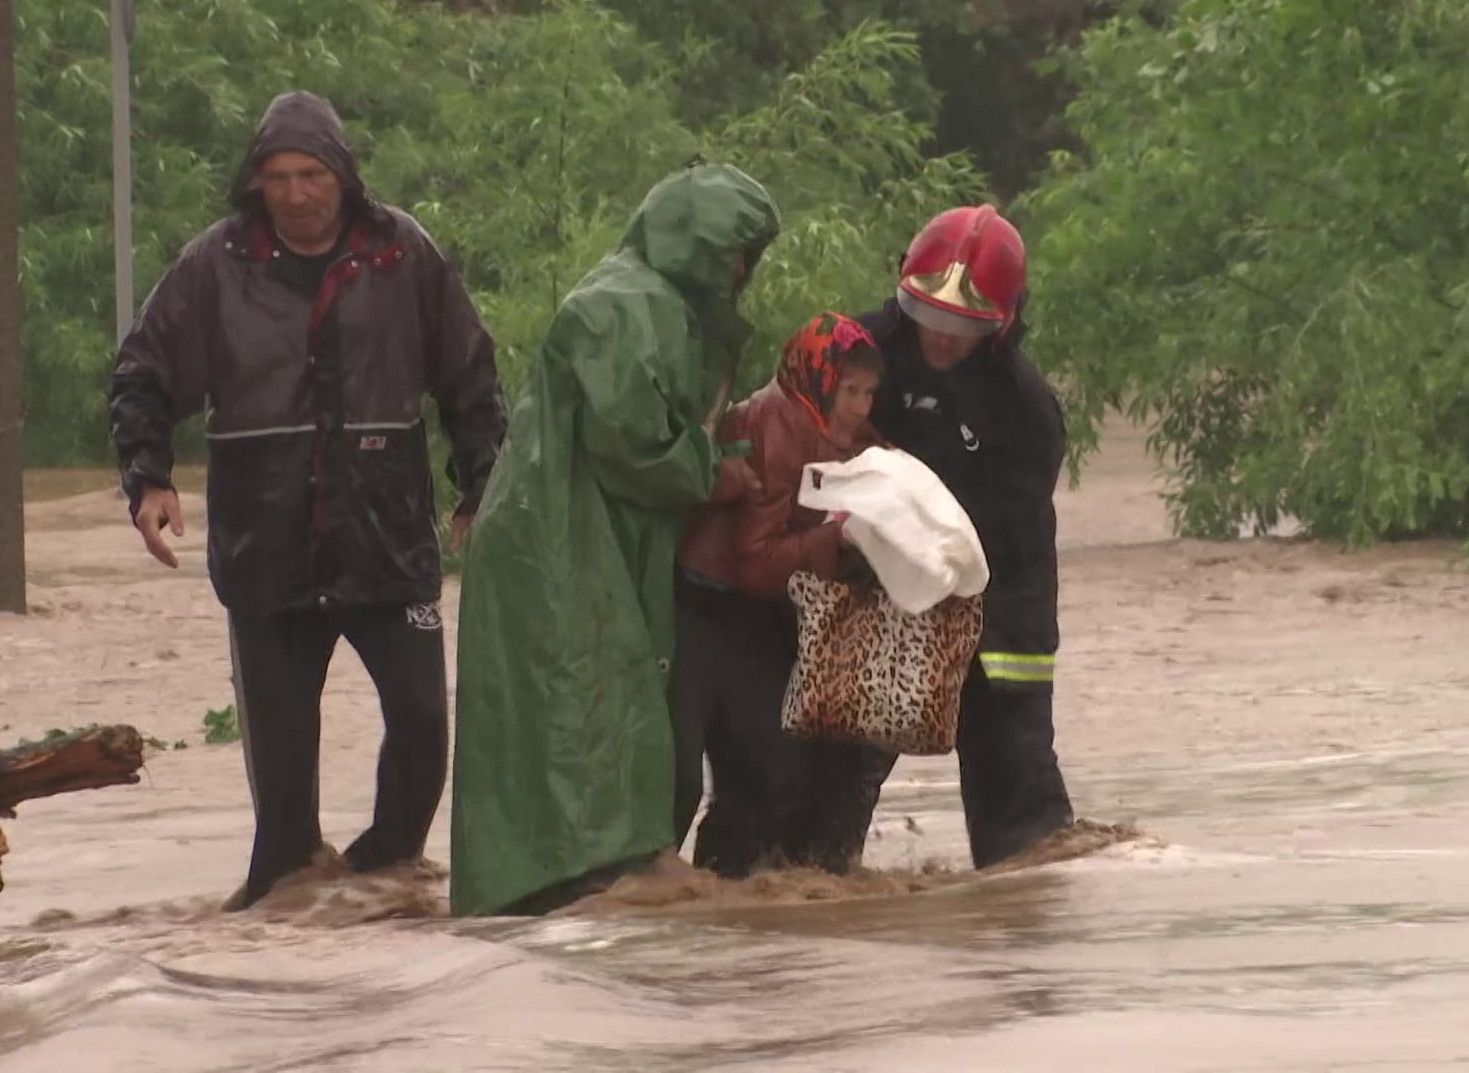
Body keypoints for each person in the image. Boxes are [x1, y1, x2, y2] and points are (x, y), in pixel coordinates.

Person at [107, 91, 507, 910]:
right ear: (257, 184)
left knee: (426, 722)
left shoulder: (405, 254)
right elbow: (142, 371)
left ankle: (382, 884)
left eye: (312, 174)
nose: (296, 193)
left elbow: (468, 375)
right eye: (278, 177)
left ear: (342, 177)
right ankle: (289, 923)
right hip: (268, 551)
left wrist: (481, 487)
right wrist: (148, 479)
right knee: (283, 793)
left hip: (387, 538)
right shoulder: (213, 267)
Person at [448, 162, 781, 917]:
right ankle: (581, 871)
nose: (739, 270)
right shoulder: (624, 307)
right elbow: (633, 444)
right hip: (555, 537)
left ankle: (570, 874)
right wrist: (716, 474)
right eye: (735, 251)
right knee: (584, 698)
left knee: (586, 698)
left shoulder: (648, 300)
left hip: (576, 526)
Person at [839, 203, 1077, 869]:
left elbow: (1016, 518)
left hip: (999, 594)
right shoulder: (858, 352)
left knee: (1018, 790)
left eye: (961, 326)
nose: (939, 338)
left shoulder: (1024, 405)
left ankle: (1030, 905)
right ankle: (811, 884)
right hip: (874, 583)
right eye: (929, 318)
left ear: (999, 326)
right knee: (836, 759)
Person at [672, 312, 888, 878]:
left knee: (775, 776)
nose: (861, 407)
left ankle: (731, 917)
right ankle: (685, 904)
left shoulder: (840, 431)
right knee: (692, 782)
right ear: (817, 382)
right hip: (709, 608)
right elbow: (755, 562)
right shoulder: (773, 425)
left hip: (764, 615)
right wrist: (832, 537)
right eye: (849, 392)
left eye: (869, 393)